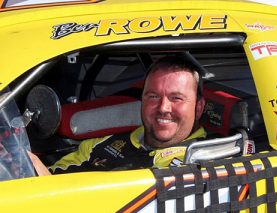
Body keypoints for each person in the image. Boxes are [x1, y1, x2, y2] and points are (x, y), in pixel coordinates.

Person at [30, 55, 206, 175]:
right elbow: (58, 172)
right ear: (142, 100)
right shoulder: (106, 140)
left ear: (198, 108)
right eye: (153, 96)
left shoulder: (203, 161)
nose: (163, 107)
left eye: (176, 98)